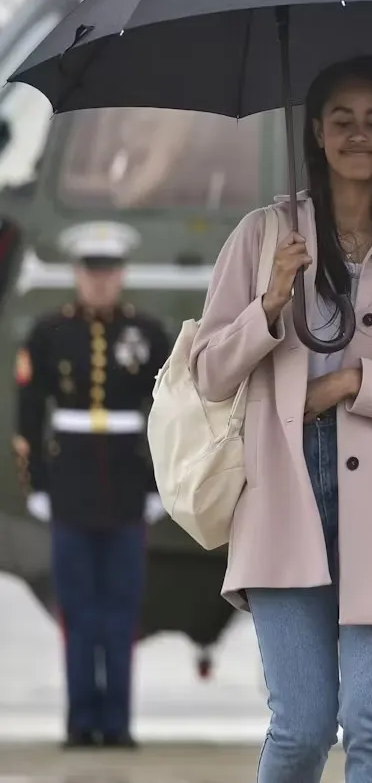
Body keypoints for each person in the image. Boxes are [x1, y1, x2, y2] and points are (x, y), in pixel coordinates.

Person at [189, 55, 372, 783]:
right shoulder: (263, 238)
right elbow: (209, 373)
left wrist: (359, 382)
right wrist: (269, 304)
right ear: (315, 132)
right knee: (302, 727)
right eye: (342, 121)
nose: (359, 136)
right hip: (284, 492)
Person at [13, 220, 170, 749]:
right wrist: (36, 482)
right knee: (77, 610)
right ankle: (81, 722)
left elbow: (168, 415)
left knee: (122, 611)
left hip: (127, 486)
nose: (99, 281)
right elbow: (30, 414)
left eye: (108, 271)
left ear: (121, 275)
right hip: (71, 487)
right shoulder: (50, 332)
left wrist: (158, 487)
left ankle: (119, 723)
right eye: (90, 271)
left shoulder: (147, 334)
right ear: (78, 275)